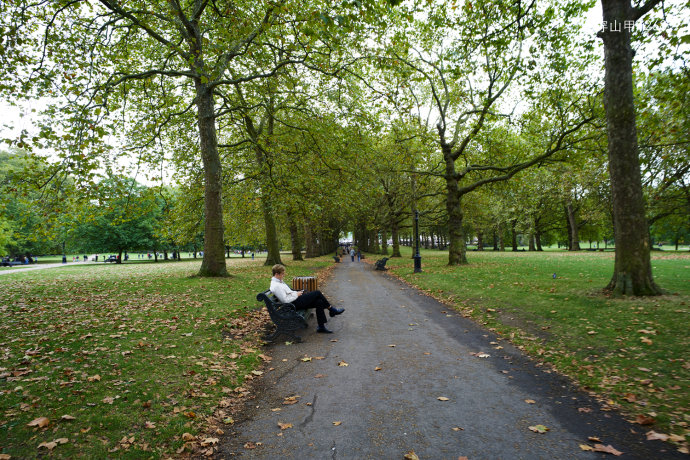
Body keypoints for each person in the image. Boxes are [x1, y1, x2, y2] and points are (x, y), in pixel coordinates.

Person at [269, 264, 344, 334]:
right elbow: (285, 300)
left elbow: (289, 293)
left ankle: (321, 327)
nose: (284, 275)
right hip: (293, 304)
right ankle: (332, 310)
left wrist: (298, 292)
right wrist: (296, 294)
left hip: (295, 300)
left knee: (319, 302)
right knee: (317, 293)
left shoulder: (279, 282)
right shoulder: (276, 286)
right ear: (277, 274)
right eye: (282, 274)